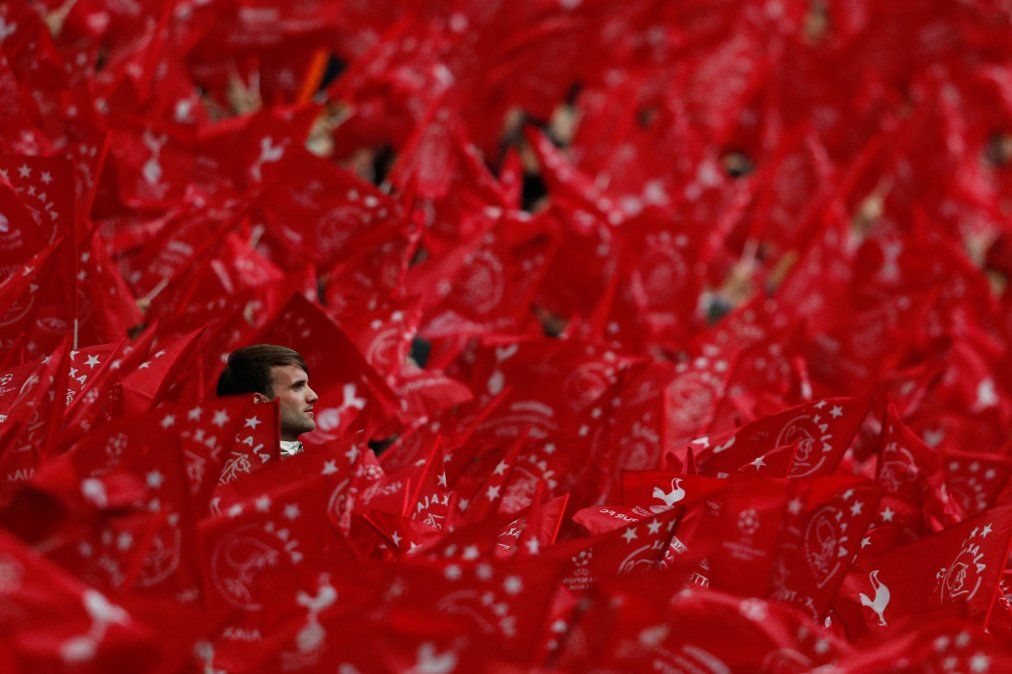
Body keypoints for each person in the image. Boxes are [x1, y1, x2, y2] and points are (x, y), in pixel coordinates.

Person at [216, 344, 319, 457]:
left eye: (307, 385)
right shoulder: (239, 472)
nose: (313, 396)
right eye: (297, 386)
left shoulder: (316, 468)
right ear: (259, 403)